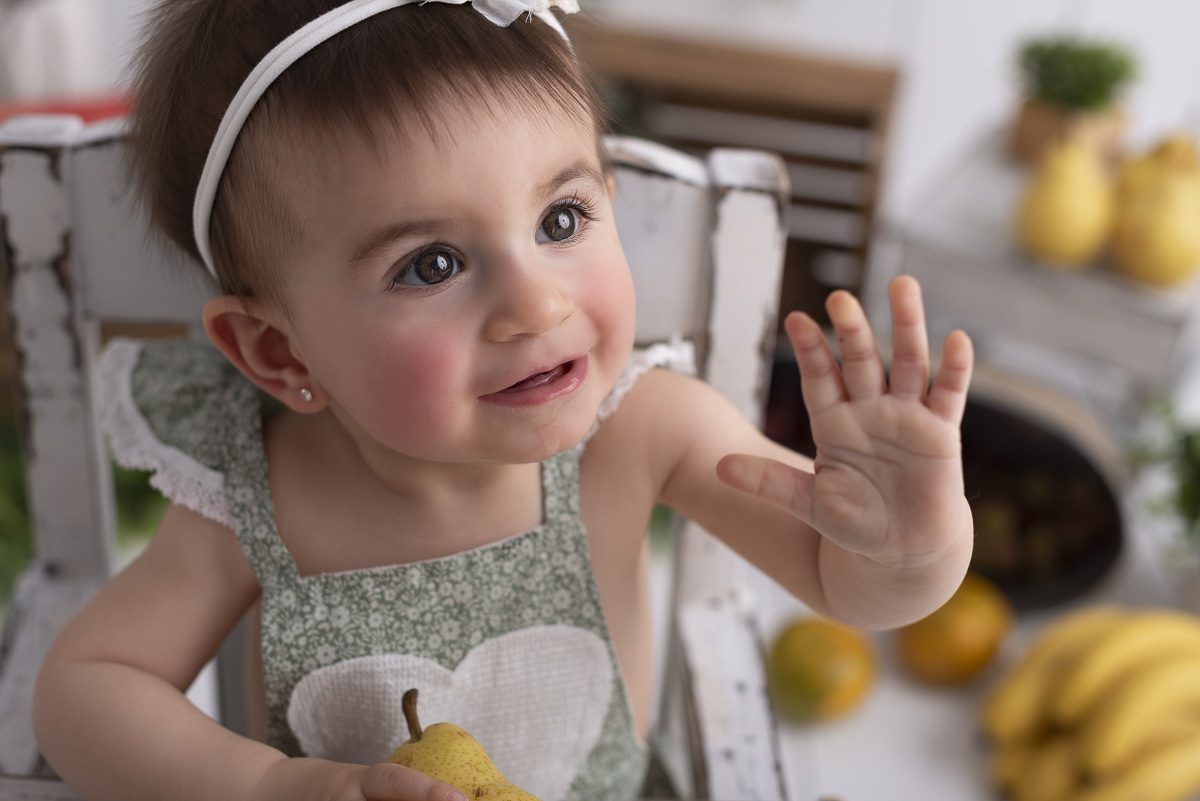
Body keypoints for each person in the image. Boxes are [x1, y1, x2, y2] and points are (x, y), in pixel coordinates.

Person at [31, 1, 976, 800]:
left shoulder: (646, 431)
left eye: (560, 220)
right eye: (431, 265)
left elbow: (840, 576)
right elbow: (83, 689)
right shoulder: (255, 497)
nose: (538, 303)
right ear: (280, 352)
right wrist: (280, 785)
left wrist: (911, 546)